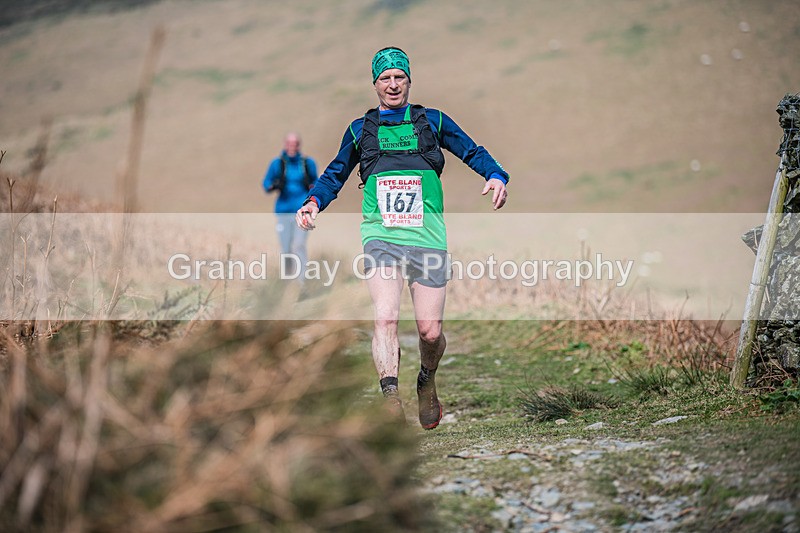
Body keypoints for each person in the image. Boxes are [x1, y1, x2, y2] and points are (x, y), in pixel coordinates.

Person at [295, 47, 508, 429]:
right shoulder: (361, 130)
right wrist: (313, 202)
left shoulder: (434, 121)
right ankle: (390, 398)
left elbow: (471, 151)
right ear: (375, 84)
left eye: (399, 77)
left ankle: (427, 380)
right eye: (385, 78)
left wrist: (495, 175)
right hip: (381, 237)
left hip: (428, 237)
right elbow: (335, 174)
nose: (393, 85)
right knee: (386, 318)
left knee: (430, 331)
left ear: (409, 80)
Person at [263, 132, 318, 280]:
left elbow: (317, 183)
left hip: (302, 211)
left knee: (298, 245)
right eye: (289, 144)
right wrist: (274, 186)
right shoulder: (277, 164)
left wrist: (312, 187)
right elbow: (266, 183)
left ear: (299, 145)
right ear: (285, 145)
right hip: (283, 212)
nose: (292, 147)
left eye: (295, 144)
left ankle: (301, 283)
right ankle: (287, 281)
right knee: (286, 248)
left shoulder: (307, 163)